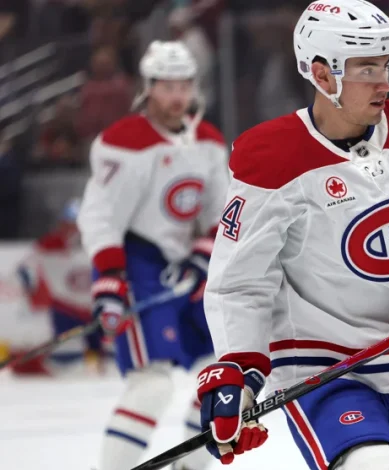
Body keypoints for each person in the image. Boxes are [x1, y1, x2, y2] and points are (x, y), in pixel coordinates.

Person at [194, 1, 389, 470]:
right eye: (367, 68)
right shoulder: (272, 160)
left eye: (387, 64)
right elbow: (240, 282)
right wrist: (239, 369)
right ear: (322, 76)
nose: (384, 81)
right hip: (328, 375)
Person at [77, 40, 228, 470]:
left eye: (184, 85)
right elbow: (101, 217)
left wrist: (201, 258)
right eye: (167, 86)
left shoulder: (209, 141)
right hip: (135, 267)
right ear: (149, 88)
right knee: (153, 385)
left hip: (187, 267)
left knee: (223, 373)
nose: (177, 96)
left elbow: (222, 214)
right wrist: (109, 282)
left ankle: (190, 467)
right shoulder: (124, 142)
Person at [13, 198, 103, 375]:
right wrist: (29, 283)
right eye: (72, 223)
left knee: (110, 357)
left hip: (98, 309)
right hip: (66, 310)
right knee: (64, 361)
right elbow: (25, 268)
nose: (76, 229)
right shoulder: (50, 245)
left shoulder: (102, 242)